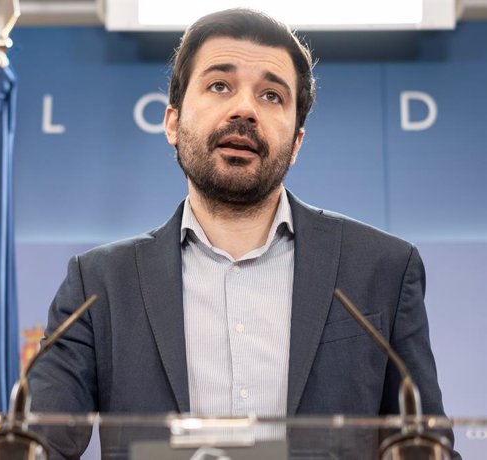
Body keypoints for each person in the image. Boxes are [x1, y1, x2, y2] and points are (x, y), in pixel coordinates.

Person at [30, 7, 449, 459]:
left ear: (297, 143)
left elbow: (426, 447)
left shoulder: (381, 270)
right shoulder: (98, 286)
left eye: (271, 95)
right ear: (173, 123)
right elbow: (37, 448)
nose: (245, 109)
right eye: (219, 86)